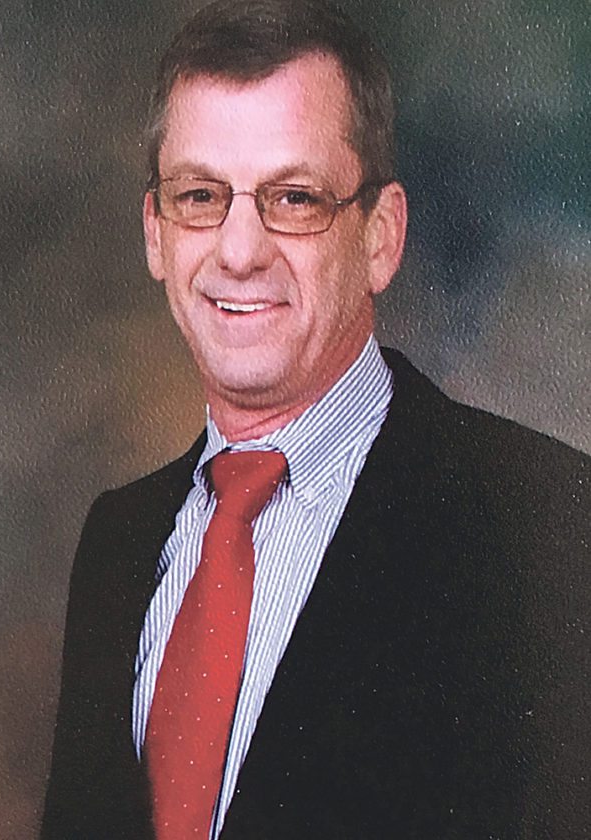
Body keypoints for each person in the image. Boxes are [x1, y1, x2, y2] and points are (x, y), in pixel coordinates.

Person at [41, 1, 590, 838]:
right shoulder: (117, 544)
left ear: (381, 237)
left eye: (294, 198)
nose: (239, 251)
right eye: (200, 196)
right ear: (156, 233)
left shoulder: (546, 527)